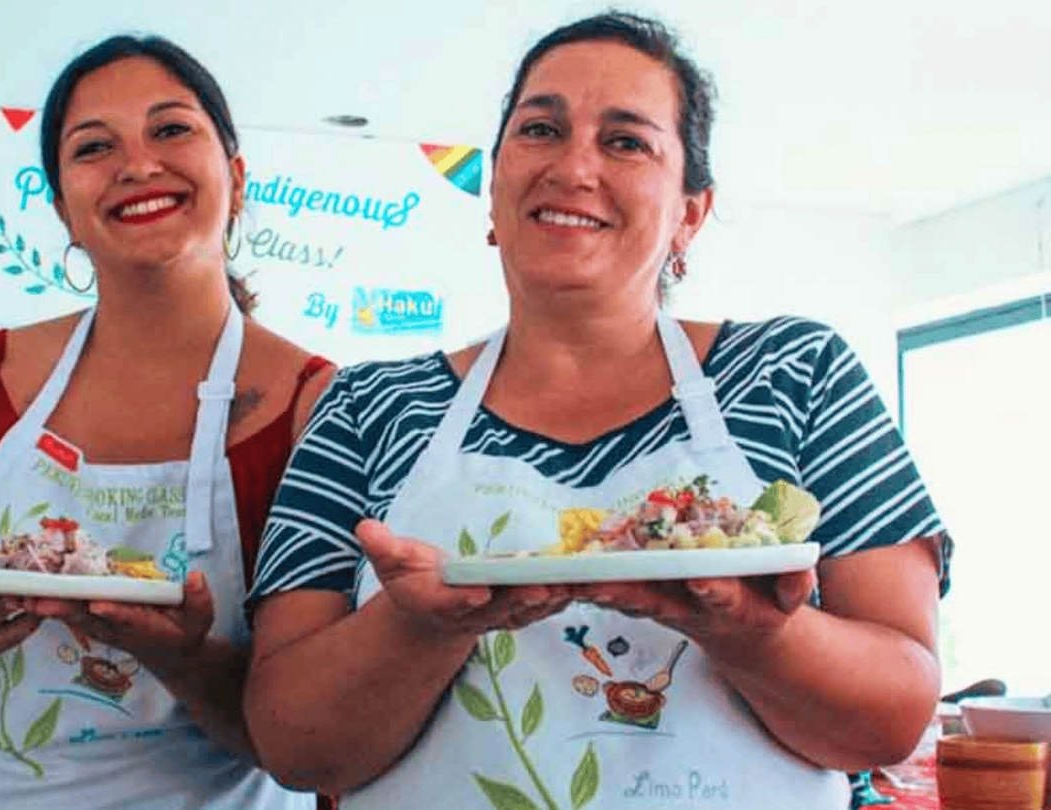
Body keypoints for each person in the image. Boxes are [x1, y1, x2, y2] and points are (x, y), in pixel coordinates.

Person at [242, 12, 949, 810]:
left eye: (625, 141)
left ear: (691, 211)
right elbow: (292, 746)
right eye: (540, 129)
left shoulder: (797, 373)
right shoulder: (366, 408)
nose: (573, 167)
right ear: (494, 182)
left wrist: (756, 632)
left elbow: (895, 717)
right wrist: (422, 626)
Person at [0, 34, 331, 810]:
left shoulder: (316, 405)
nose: (137, 165)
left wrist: (184, 657)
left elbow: (315, 739)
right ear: (61, 207)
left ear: (235, 173)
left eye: (170, 129)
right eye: (94, 146)